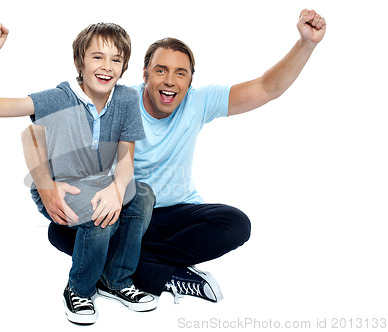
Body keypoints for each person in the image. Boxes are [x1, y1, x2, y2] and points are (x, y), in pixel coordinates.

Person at [42, 9, 327, 305]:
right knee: (60, 231)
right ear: (145, 74)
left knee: (235, 223)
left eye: (181, 73)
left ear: (190, 81)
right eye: (161, 70)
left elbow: (268, 87)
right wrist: (50, 186)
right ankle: (160, 274)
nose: (170, 81)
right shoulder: (119, 103)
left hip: (176, 216)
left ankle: (123, 267)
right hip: (125, 215)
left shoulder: (198, 102)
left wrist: (306, 43)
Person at [0, 22, 157, 325]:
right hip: (61, 186)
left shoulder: (126, 100)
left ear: (124, 66)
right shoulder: (60, 97)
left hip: (100, 181)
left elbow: (127, 157)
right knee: (99, 212)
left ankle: (116, 280)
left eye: (116, 59)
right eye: (97, 57)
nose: (107, 67)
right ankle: (79, 288)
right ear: (80, 62)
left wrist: (117, 188)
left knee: (142, 196)